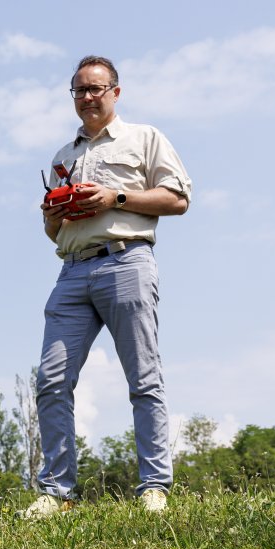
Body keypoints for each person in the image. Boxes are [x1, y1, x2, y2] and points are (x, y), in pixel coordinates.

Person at [23, 55, 192, 518]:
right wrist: (52, 217)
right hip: (72, 269)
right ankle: (57, 491)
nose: (88, 97)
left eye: (96, 88)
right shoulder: (64, 156)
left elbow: (178, 199)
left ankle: (154, 486)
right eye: (79, 90)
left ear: (115, 92)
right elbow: (54, 234)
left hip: (126, 262)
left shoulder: (145, 137)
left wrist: (116, 196)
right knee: (51, 380)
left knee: (143, 377)